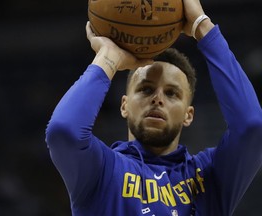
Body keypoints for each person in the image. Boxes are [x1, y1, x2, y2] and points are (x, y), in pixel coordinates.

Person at [45, 0, 262, 215]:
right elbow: (64, 132)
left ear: (188, 115)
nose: (158, 99)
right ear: (125, 105)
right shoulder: (101, 172)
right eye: (146, 90)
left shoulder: (210, 176)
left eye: (172, 93)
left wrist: (203, 27)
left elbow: (252, 127)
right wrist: (108, 57)